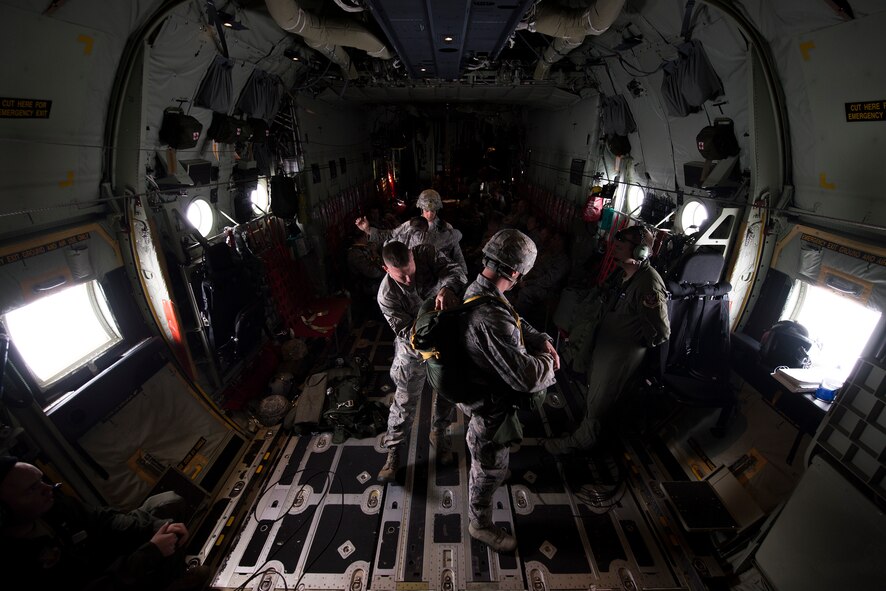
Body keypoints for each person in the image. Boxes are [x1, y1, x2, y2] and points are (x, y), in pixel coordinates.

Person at [459, 229, 559, 552]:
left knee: (491, 464)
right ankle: (480, 524)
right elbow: (527, 378)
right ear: (514, 273)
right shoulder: (489, 316)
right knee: (488, 470)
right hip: (490, 414)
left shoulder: (481, 289)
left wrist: (538, 337)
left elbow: (513, 319)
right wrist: (549, 360)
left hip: (485, 397)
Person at [544, 224, 670, 455]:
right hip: (603, 347)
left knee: (599, 401)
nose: (617, 245)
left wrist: (629, 339)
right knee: (593, 395)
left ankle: (581, 443)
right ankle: (587, 427)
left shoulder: (648, 284)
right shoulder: (621, 275)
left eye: (624, 243)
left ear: (641, 252)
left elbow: (661, 333)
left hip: (619, 355)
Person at [0, 456, 208, 591]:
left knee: (167, 502)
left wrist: (157, 527)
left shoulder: (54, 504)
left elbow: (105, 519)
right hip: (104, 581)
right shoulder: (16, 563)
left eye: (42, 480)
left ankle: (176, 574)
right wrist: (151, 551)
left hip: (105, 559)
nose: (48, 488)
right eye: (32, 489)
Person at [376, 241, 467, 482]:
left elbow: (458, 271)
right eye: (401, 276)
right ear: (386, 270)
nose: (409, 280)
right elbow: (406, 331)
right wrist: (432, 328)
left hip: (446, 341)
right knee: (404, 401)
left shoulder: (426, 252)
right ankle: (393, 451)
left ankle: (439, 432)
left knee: (447, 392)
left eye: (411, 272)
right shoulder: (386, 295)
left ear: (413, 257)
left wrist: (447, 289)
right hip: (414, 349)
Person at [356, 189, 467, 272]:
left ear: (437, 209)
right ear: (421, 208)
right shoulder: (410, 225)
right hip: (415, 273)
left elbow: (457, 253)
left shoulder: (446, 227)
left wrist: (462, 273)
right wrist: (368, 229)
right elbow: (390, 235)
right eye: (426, 210)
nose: (429, 213)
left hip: (440, 271)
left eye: (432, 210)